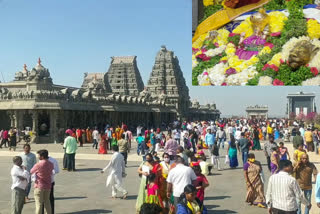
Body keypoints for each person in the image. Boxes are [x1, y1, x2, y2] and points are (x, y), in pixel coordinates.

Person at [30, 150, 54, 214]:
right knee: (47, 202)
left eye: (39, 155)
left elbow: (31, 171)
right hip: (48, 185)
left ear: (42, 156)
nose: (38, 156)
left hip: (39, 185)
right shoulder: (51, 164)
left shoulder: (38, 165)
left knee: (39, 203)